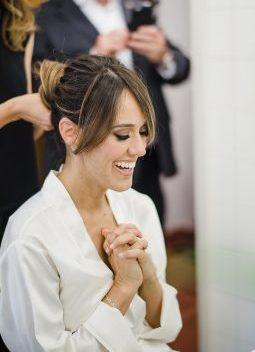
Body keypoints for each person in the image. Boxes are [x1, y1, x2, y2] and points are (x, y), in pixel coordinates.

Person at [0, 55, 182, 351]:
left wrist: (147, 278)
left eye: (143, 131)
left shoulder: (140, 207)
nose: (138, 148)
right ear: (71, 132)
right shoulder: (29, 239)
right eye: (122, 134)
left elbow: (164, 331)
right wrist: (122, 289)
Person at [33, 0, 190, 225]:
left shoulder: (134, 5)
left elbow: (182, 68)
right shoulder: (47, 15)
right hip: (88, 150)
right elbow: (35, 81)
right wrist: (94, 55)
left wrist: (163, 54)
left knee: (148, 228)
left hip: (146, 150)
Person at [0, 0, 51, 240]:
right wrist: (16, 108)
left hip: (18, 188)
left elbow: (27, 131)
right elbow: (17, 106)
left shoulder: (21, 26)